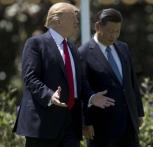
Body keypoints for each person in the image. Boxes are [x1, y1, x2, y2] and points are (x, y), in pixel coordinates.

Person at [13, 3, 115, 147]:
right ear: (58, 20)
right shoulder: (35, 43)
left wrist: (91, 97)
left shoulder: (72, 47)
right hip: (43, 125)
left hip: (70, 125)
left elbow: (79, 82)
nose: (77, 21)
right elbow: (30, 78)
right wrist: (49, 95)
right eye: (73, 17)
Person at [78, 8, 144, 147]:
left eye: (117, 31)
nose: (114, 36)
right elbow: (82, 89)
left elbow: (132, 82)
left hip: (129, 123)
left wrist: (138, 112)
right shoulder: (83, 53)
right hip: (102, 127)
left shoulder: (123, 47)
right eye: (110, 31)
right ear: (97, 27)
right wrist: (86, 122)